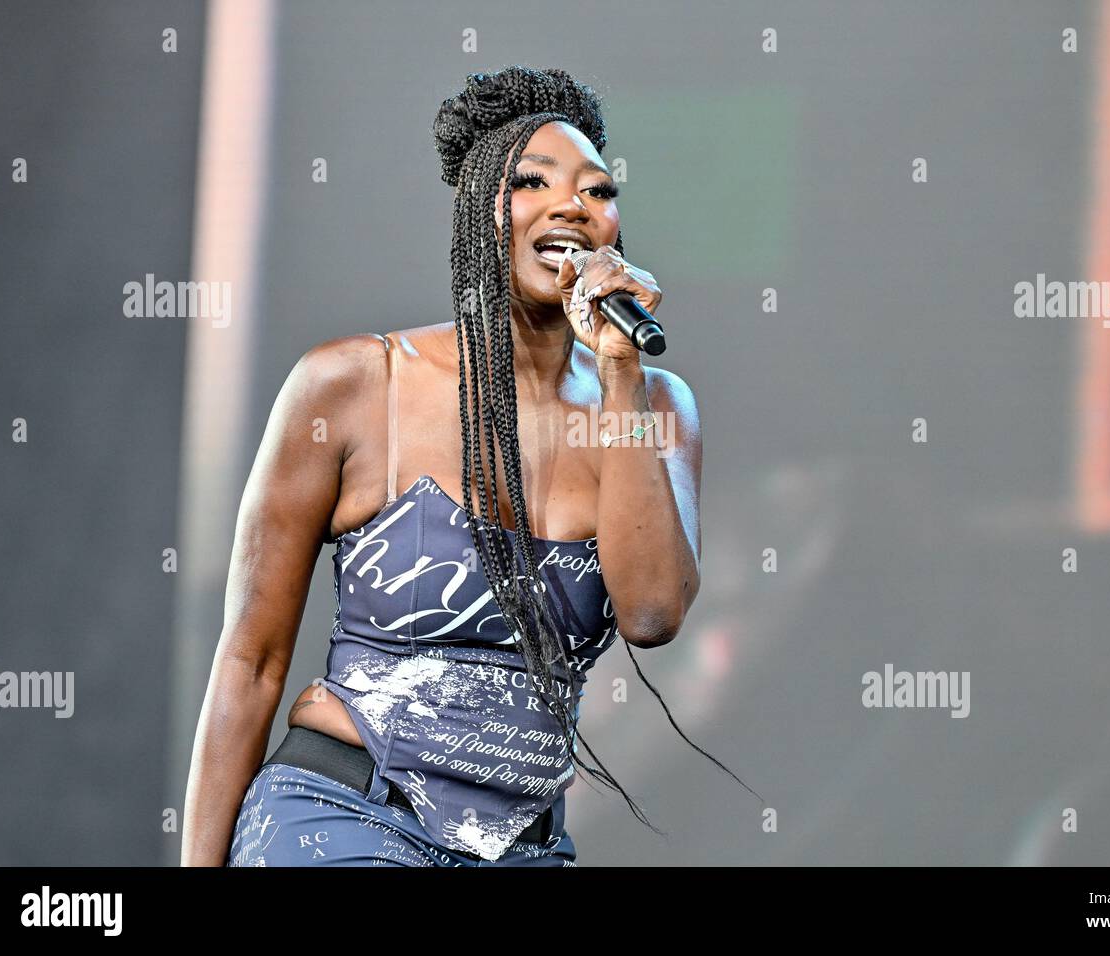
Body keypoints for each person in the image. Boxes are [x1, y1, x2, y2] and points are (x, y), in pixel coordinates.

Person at [182, 66, 752, 867]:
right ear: (480, 213)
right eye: (532, 182)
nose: (572, 206)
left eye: (598, 191)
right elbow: (252, 660)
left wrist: (620, 371)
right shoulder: (354, 385)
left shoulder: (653, 404)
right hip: (344, 817)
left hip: (522, 845)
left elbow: (653, 614)